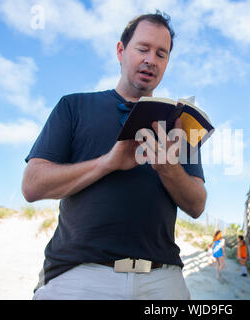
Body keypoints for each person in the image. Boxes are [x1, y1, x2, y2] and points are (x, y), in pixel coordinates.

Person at [22, 11, 207, 300]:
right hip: (78, 276)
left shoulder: (179, 124)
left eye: (162, 54)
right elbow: (32, 185)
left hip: (162, 279)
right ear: (121, 51)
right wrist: (108, 163)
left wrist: (169, 169)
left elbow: (197, 205)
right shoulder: (73, 106)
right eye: (143, 49)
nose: (151, 60)